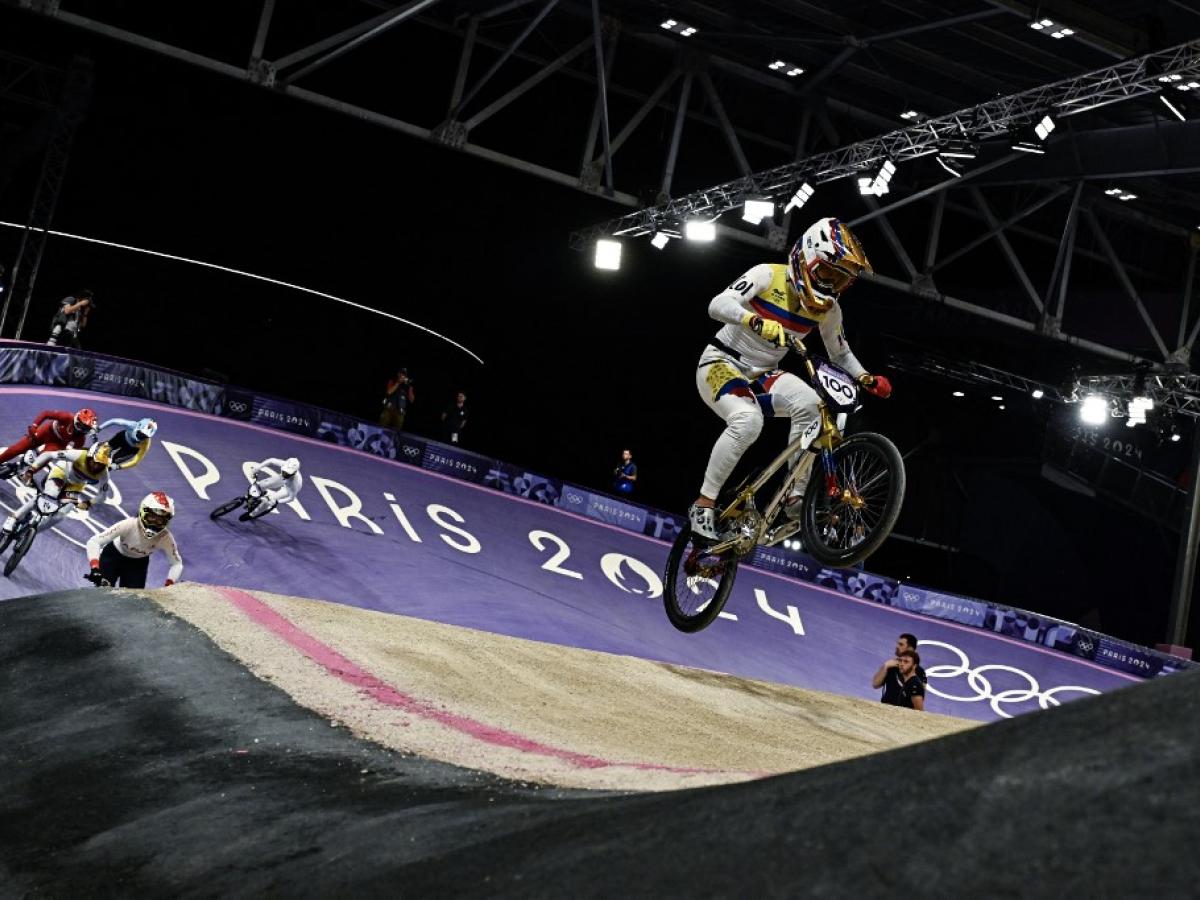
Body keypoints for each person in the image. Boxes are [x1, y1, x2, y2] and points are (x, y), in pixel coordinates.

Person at [688, 217, 892, 540]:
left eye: (840, 281)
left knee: (814, 406)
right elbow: (718, 304)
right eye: (827, 273)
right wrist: (753, 320)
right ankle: (704, 503)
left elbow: (840, 353)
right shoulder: (768, 275)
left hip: (764, 375)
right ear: (806, 259)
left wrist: (865, 376)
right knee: (748, 421)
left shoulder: (829, 310)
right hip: (722, 362)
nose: (831, 286)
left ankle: (794, 496)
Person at [2, 441, 115, 535]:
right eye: (95, 462)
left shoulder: (104, 474)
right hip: (61, 472)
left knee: (60, 515)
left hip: (75, 485)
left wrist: (89, 503)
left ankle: (31, 533)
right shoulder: (79, 454)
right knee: (48, 496)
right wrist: (31, 470)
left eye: (101, 465)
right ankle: (13, 517)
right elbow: (49, 455)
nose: (96, 466)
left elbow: (102, 496)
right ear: (90, 455)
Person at [85, 492, 182, 588]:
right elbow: (94, 542)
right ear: (142, 512)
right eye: (152, 517)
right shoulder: (129, 525)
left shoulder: (165, 537)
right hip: (113, 557)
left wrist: (95, 568)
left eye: (160, 520)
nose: (154, 524)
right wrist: (95, 568)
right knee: (104, 592)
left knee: (131, 601)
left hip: (136, 565)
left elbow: (177, 564)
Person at [0, 407, 97, 469]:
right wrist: (35, 426)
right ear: (77, 420)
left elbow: (73, 454)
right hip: (46, 432)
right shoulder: (67, 417)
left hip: (57, 444)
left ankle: (20, 468)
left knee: (41, 462)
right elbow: (46, 413)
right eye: (82, 427)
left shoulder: (81, 439)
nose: (82, 430)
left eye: (86, 429)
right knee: (17, 448)